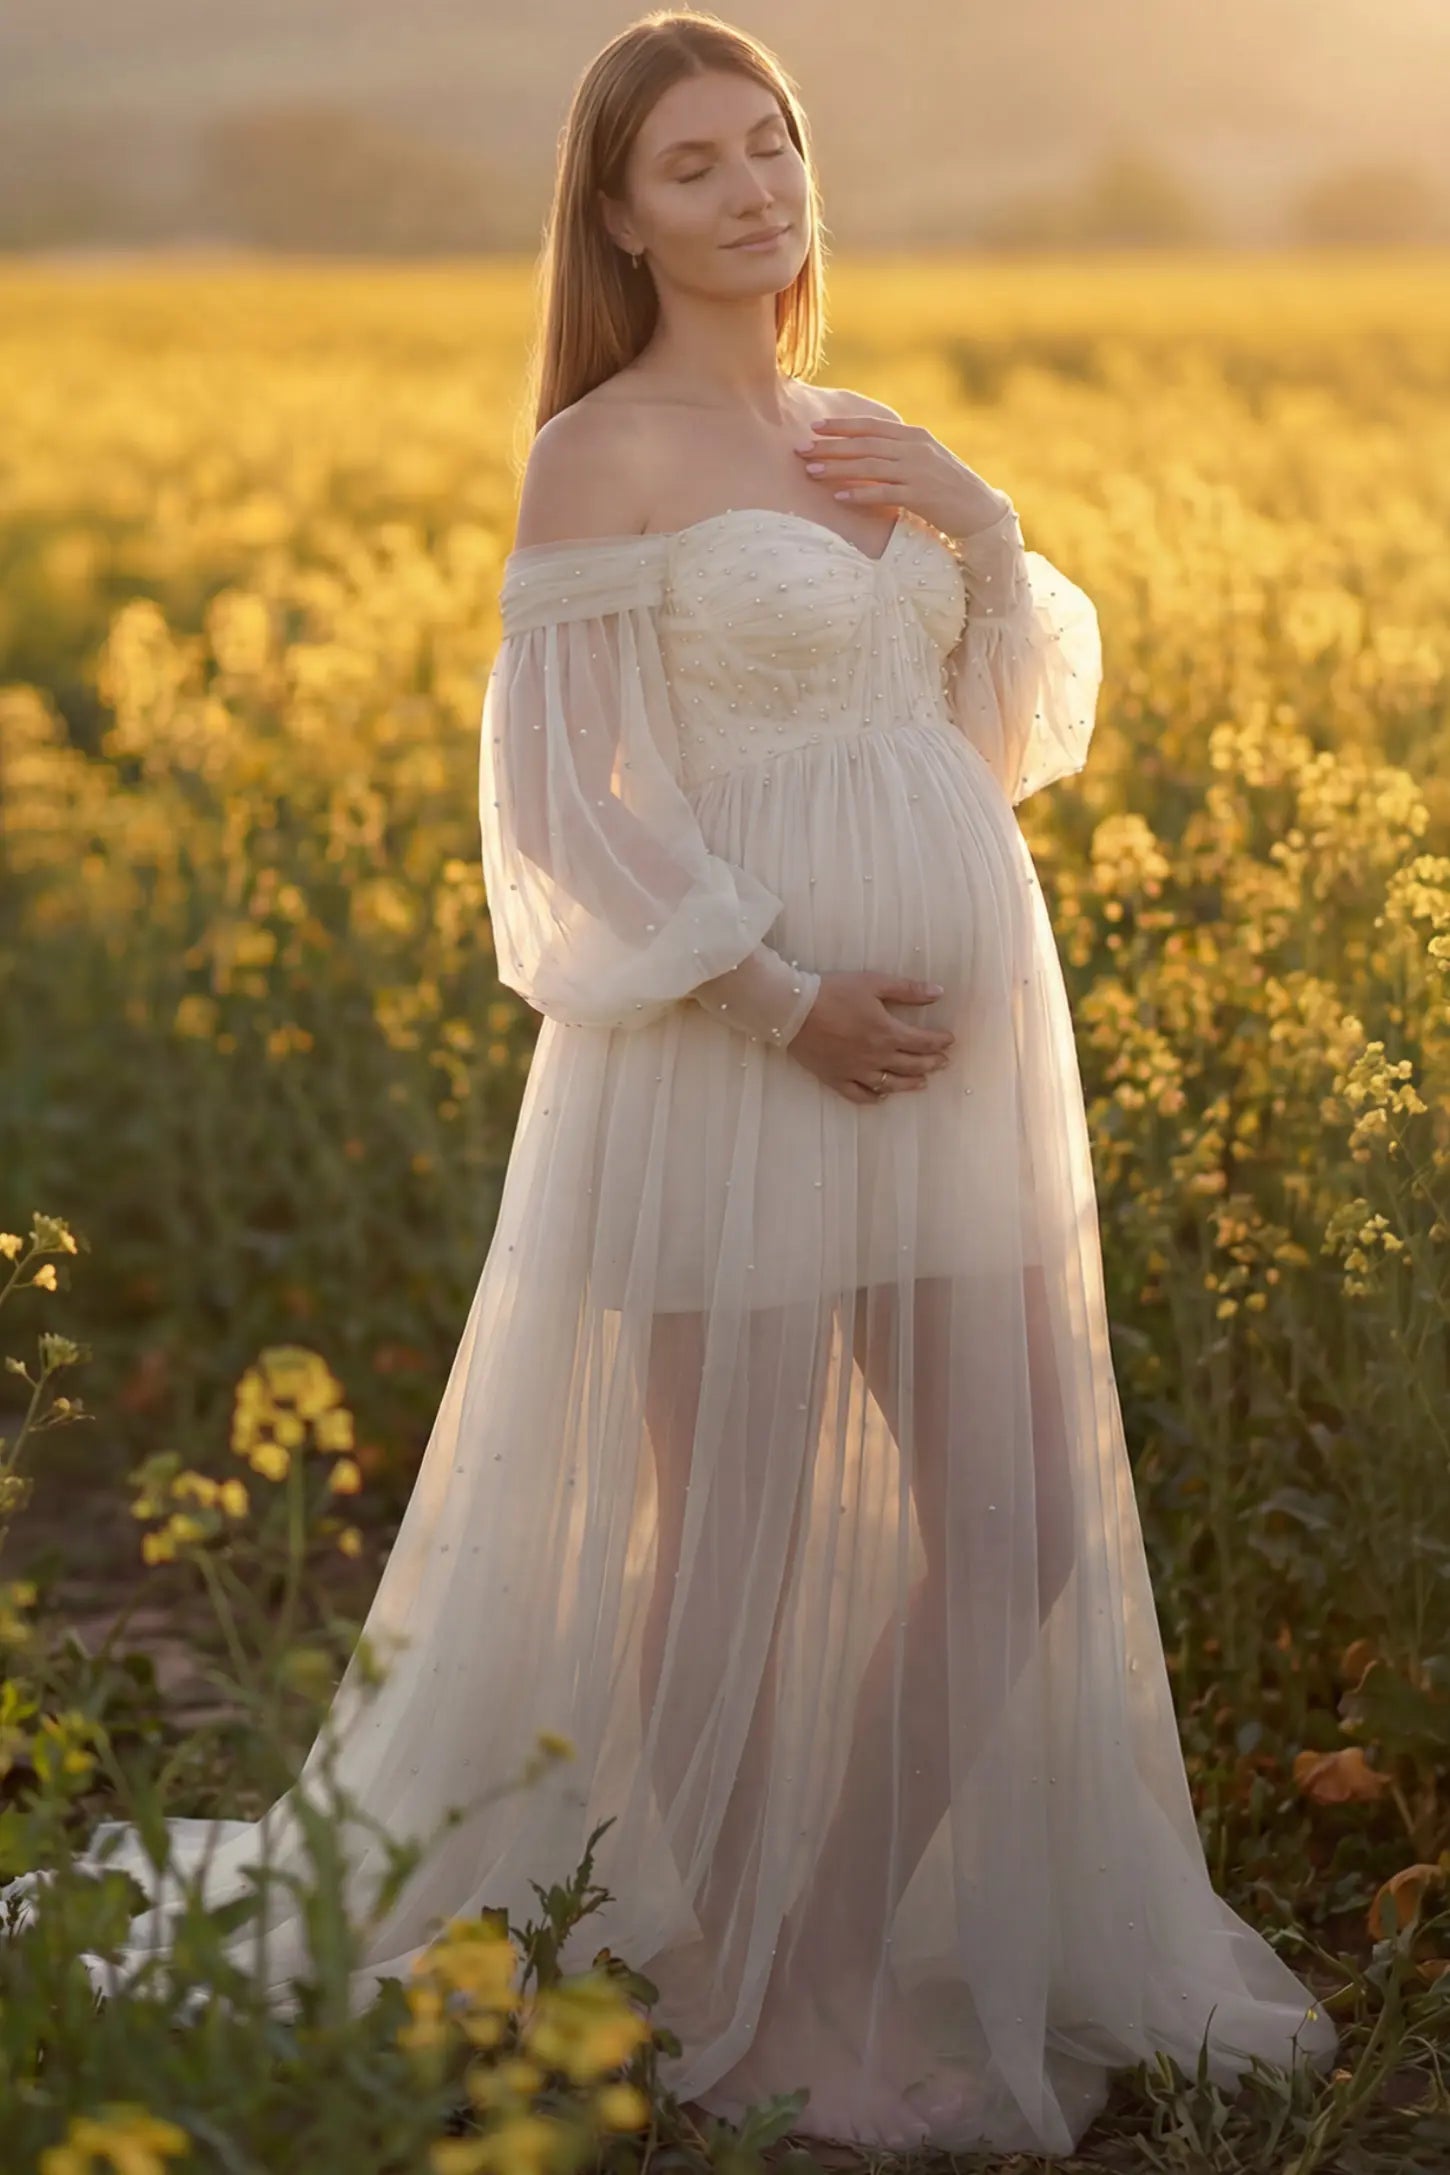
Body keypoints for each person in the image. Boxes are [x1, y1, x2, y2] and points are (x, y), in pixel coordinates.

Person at [5, 11, 1338, 2157]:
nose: (751, 188)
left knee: (1007, 1532)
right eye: (695, 163)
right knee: (718, 1553)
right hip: (732, 1063)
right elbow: (561, 809)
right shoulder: (599, 453)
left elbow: (984, 750)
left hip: (956, 1065)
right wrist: (779, 993)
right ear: (616, 214)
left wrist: (978, 523)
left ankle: (810, 1935)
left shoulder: (863, 431)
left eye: (772, 144)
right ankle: (777, 2012)